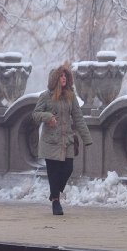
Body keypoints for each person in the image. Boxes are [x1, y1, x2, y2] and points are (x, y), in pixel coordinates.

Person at [33, 62, 93, 216]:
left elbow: (78, 118)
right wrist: (47, 117)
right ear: (55, 79)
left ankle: (54, 191)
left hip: (67, 141)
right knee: (53, 172)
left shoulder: (71, 97)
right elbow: (35, 114)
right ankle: (56, 202)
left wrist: (87, 138)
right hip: (50, 141)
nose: (64, 78)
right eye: (61, 76)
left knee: (68, 169)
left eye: (65, 75)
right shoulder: (45, 96)